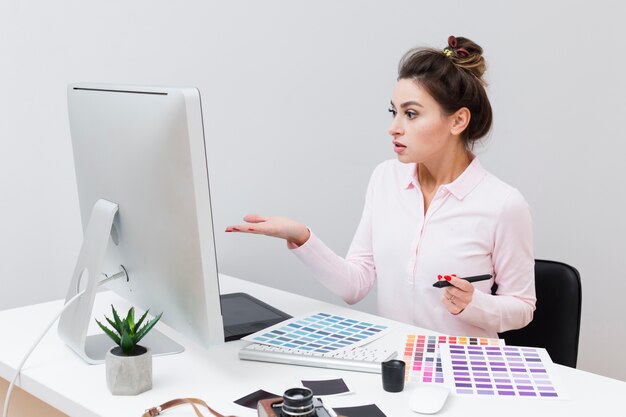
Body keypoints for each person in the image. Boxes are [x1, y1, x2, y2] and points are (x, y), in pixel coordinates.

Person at [225, 36, 536, 338]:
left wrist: (474, 304)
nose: (394, 127)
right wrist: (300, 237)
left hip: (465, 368)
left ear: (458, 121)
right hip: (395, 364)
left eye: (411, 114)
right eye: (394, 111)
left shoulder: (503, 204)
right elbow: (355, 285)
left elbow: (522, 308)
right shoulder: (386, 179)